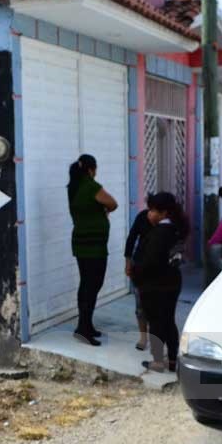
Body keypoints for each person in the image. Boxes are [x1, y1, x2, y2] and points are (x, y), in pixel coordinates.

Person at [132, 192, 187, 373]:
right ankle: (172, 359)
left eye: (152, 210)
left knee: (156, 322)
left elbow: (150, 261)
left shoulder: (161, 233)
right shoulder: (175, 229)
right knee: (168, 321)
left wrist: (137, 276)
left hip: (156, 284)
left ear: (163, 213)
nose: (149, 214)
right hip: (170, 282)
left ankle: (157, 361)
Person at [67, 154, 118, 346]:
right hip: (94, 245)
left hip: (81, 242)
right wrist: (104, 211)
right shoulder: (90, 186)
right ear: (90, 169)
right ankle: (83, 328)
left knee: (86, 284)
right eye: (95, 169)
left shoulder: (73, 187)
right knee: (93, 284)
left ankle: (85, 325)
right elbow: (113, 203)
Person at [124, 207, 150, 351]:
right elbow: (131, 238)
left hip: (158, 269)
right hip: (139, 265)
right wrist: (128, 262)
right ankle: (143, 337)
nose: (151, 214)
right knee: (140, 306)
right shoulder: (142, 217)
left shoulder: (167, 224)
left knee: (156, 306)